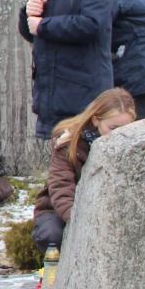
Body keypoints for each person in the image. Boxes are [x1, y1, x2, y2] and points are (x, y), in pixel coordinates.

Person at [19, 0, 115, 141]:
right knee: (61, 157)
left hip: (83, 93)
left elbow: (92, 25)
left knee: (81, 155)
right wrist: (28, 15)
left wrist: (43, 26)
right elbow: (33, 33)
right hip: (54, 92)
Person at [32, 88, 137, 248]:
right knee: (53, 235)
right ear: (96, 120)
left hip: (108, 208)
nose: (119, 135)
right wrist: (77, 219)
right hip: (62, 209)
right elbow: (61, 186)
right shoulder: (70, 143)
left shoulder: (136, 144)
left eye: (126, 129)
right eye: (113, 128)